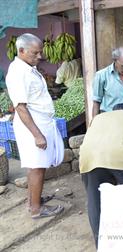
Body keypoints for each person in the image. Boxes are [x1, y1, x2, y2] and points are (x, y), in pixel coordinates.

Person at [5, 33, 64, 219]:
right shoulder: (18, 72)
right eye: (35, 53)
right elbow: (20, 108)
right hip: (33, 126)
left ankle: (33, 201)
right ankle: (36, 209)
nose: (40, 57)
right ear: (21, 51)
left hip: (39, 123)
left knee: (36, 166)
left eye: (40, 52)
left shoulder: (27, 68)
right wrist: (37, 135)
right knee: (37, 167)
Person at [79, 103, 123, 247]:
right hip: (121, 155)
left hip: (88, 158)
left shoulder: (98, 118)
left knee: (95, 201)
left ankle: (102, 245)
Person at [92, 47, 123, 117]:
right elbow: (96, 102)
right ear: (115, 60)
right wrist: (94, 124)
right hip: (111, 120)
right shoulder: (101, 76)